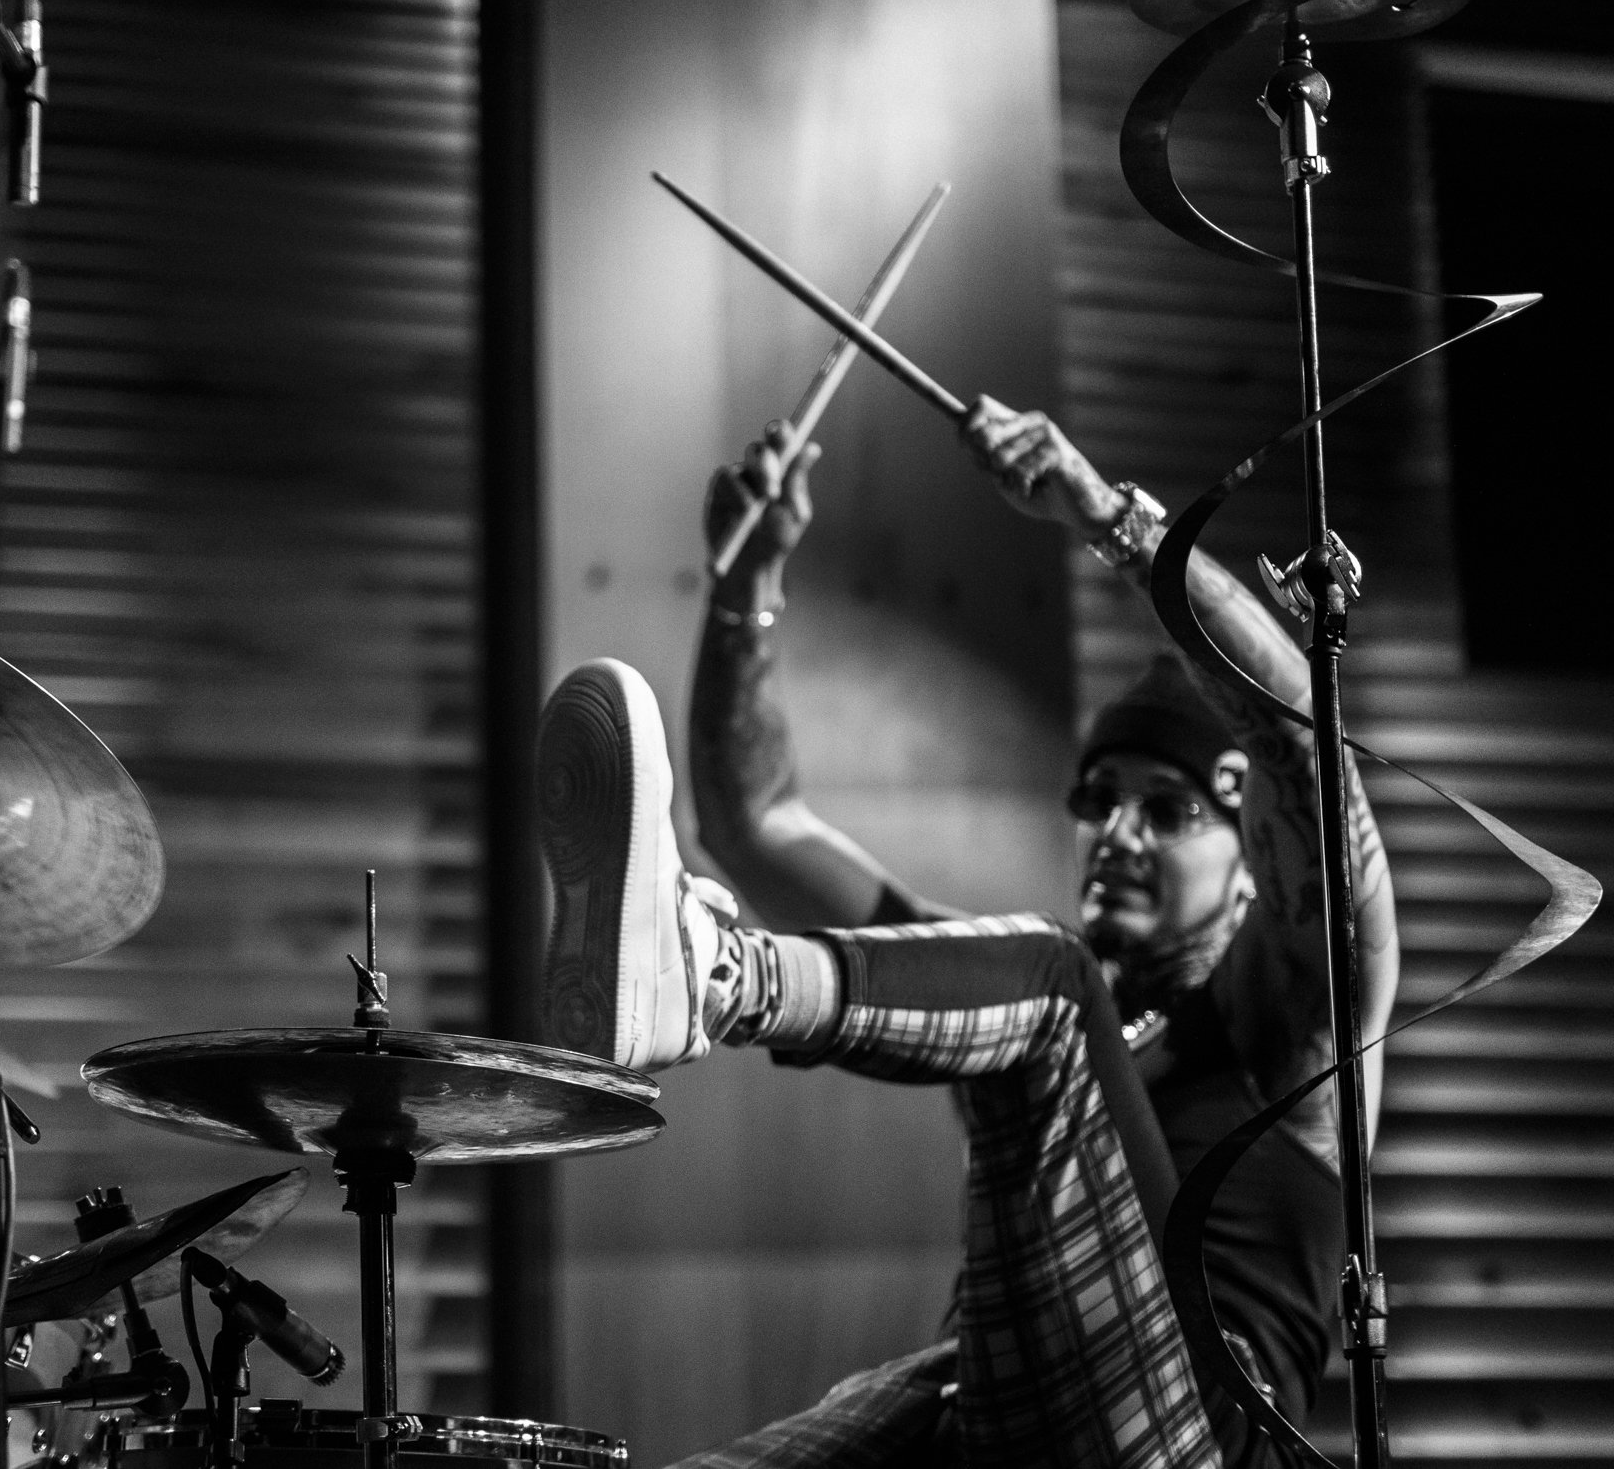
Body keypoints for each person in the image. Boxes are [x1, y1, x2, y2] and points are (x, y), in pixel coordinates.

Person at [537, 396, 1396, 1469]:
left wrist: (1106, 514)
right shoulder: (1005, 1008)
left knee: (1049, 985)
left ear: (1251, 855)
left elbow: (1299, 748)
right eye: (1097, 800)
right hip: (997, 1415)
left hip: (1204, 1441)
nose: (1118, 834)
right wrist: (744, 586)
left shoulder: (1290, 1020)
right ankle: (703, 972)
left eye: (1167, 810)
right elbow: (756, 826)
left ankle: (716, 978)